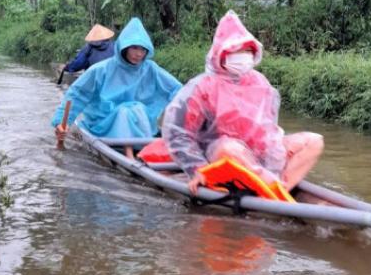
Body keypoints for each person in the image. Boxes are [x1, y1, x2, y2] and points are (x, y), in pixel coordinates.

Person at [162, 10, 324, 195]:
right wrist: (197, 169)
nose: (243, 56)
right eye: (236, 51)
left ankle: (281, 186)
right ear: (221, 54)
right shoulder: (203, 86)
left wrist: (274, 155)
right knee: (228, 148)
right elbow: (178, 133)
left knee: (314, 141)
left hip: (257, 152)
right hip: (219, 151)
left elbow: (269, 129)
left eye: (247, 51)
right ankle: (270, 188)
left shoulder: (260, 82)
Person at [53, 17, 182, 159]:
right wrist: (61, 122)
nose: (139, 54)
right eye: (134, 48)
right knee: (125, 111)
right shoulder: (101, 69)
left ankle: (144, 149)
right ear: (124, 47)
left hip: (139, 123)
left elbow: (178, 90)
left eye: (143, 49)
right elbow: (77, 94)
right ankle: (130, 156)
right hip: (105, 123)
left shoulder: (150, 68)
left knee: (135, 109)